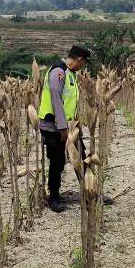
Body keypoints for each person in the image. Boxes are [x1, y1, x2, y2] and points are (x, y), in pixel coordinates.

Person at [38, 45, 90, 212]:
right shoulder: (58, 72)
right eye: (84, 63)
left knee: (81, 157)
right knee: (57, 162)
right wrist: (62, 128)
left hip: (69, 126)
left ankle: (90, 191)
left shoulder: (70, 74)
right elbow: (56, 100)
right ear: (79, 60)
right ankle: (54, 197)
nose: (83, 66)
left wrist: (74, 123)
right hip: (53, 127)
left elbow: (69, 102)